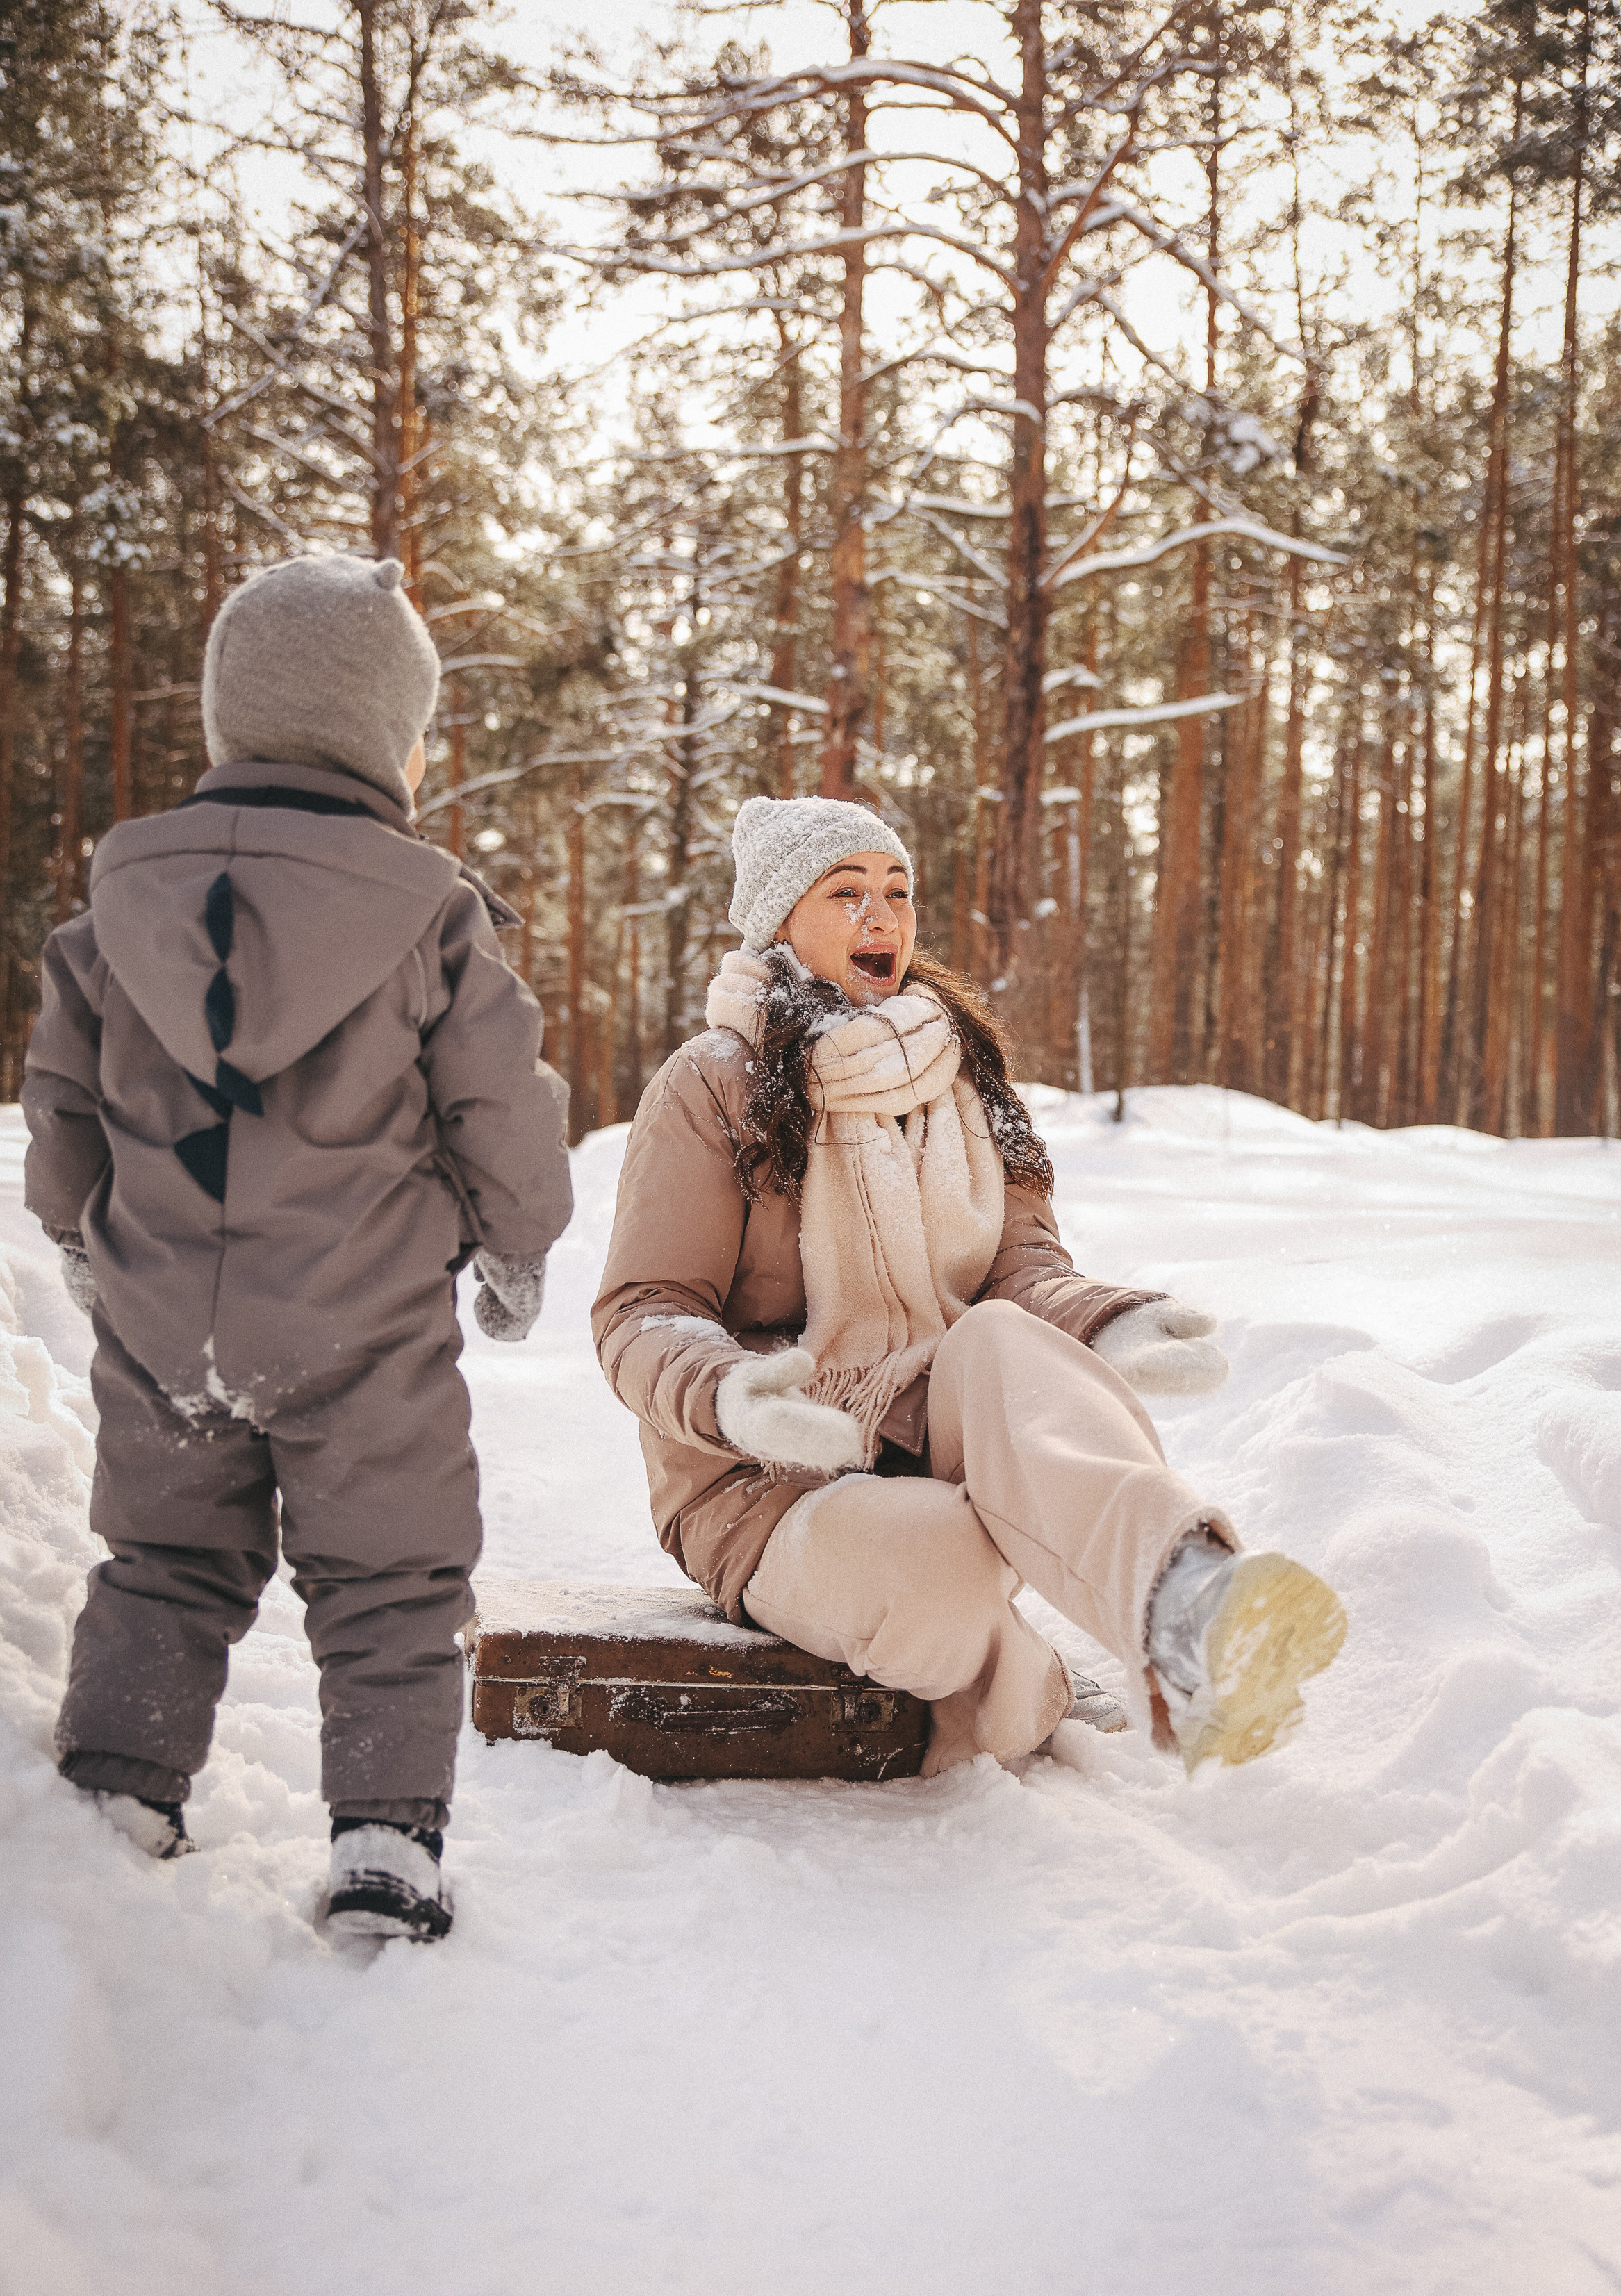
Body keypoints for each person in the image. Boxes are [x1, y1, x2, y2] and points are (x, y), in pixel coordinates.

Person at [22, 554, 573, 1942]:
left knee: (161, 1556)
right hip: (364, 1319)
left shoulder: (114, 911)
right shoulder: (428, 914)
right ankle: (386, 1841)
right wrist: (517, 1240)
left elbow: (65, 1103)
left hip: (165, 1323)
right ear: (390, 731)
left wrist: (83, 1237)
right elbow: (496, 1100)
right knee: (389, 1573)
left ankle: (119, 1789)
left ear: (229, 713)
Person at [593, 793, 1344, 1780]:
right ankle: (1027, 1687)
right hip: (765, 1484)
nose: (883, 919)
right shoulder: (714, 1082)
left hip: (928, 1431)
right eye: (847, 893)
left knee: (997, 1339)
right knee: (939, 1563)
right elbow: (641, 1310)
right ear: (780, 919)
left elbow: (1020, 1274)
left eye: (898, 893)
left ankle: (1190, 1612)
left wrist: (1110, 1325)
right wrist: (735, 1394)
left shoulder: (963, 1076)